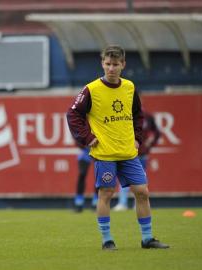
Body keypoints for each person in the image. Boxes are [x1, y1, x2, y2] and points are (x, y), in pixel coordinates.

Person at [66, 45, 169, 250]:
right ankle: (107, 240)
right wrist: (87, 138)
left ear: (123, 64)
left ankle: (147, 238)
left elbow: (138, 114)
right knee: (106, 194)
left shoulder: (130, 87)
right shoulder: (91, 89)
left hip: (128, 153)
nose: (111, 68)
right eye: (107, 64)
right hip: (105, 154)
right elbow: (73, 114)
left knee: (142, 192)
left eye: (115, 64)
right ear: (102, 64)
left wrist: (138, 138)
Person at [113, 109, 161, 211]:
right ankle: (122, 203)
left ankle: (138, 204)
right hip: (126, 152)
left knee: (140, 179)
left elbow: (157, 132)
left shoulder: (147, 116)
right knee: (124, 177)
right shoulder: (123, 115)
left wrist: (149, 144)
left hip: (141, 153)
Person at [73, 147, 98, 212]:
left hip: (99, 150)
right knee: (82, 174)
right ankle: (79, 204)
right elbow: (77, 139)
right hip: (85, 151)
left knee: (99, 176)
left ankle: (96, 203)